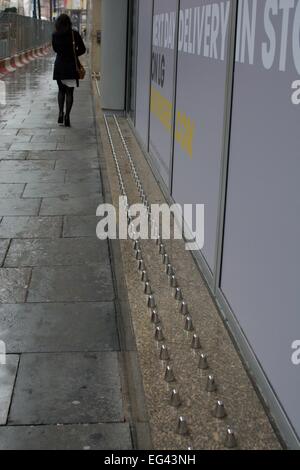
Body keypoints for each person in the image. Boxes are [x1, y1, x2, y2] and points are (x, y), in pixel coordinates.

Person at [52, 14, 86, 127]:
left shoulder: (55, 35)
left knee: (61, 91)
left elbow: (55, 49)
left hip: (60, 66)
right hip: (71, 67)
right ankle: (67, 116)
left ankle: (60, 113)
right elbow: (83, 49)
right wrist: (73, 54)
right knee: (69, 92)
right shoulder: (74, 34)